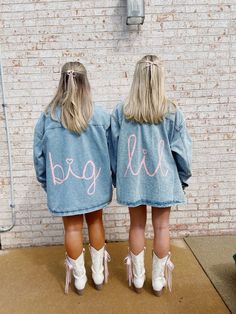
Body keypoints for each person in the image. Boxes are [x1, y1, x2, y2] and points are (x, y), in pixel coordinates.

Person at [111, 55, 192, 296]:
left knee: (136, 226)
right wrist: (182, 177)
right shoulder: (172, 112)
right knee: (162, 228)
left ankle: (137, 279)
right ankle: (157, 282)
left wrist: (117, 177)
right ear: (160, 78)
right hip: (164, 180)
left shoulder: (122, 111)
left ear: (136, 78)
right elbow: (182, 152)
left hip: (132, 179)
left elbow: (112, 147)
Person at [33, 61, 112, 295]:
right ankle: (98, 275)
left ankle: (79, 280)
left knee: (73, 230)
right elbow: (112, 149)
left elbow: (38, 156)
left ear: (62, 82)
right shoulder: (100, 115)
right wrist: (113, 176)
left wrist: (46, 181)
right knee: (96, 222)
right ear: (85, 82)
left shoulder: (48, 118)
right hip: (95, 183)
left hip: (64, 185)